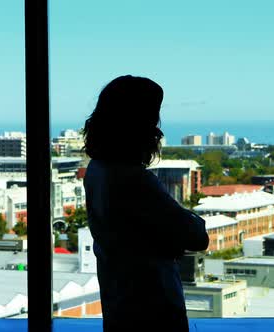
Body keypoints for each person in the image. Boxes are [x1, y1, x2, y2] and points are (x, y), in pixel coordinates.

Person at [83, 75, 210, 331]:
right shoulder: (134, 180)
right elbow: (197, 237)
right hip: (153, 308)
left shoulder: (97, 171)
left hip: (119, 304)